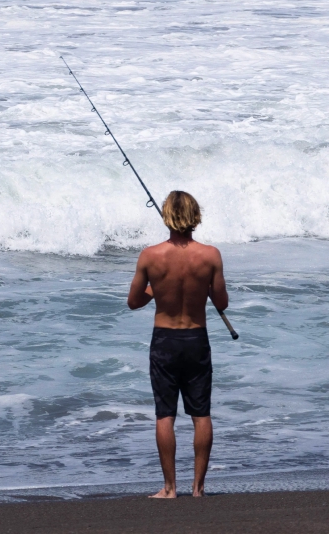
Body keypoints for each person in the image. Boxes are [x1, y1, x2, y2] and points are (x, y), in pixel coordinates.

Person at [127, 190, 229, 498]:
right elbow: (222, 301)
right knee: (201, 414)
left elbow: (133, 301)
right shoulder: (211, 255)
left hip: (165, 341)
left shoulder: (150, 256)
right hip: (196, 339)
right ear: (195, 215)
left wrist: (157, 289)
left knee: (165, 414)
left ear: (167, 216)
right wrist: (203, 288)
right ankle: (198, 489)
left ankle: (170, 488)